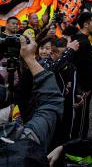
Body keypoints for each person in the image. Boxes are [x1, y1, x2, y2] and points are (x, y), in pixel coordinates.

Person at [0, 36, 63, 167]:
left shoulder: (57, 65)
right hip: (34, 115)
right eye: (42, 48)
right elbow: (51, 102)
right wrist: (30, 59)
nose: (45, 51)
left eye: (48, 48)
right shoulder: (26, 140)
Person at [71, 11, 92, 139]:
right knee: (81, 118)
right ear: (86, 25)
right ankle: (79, 144)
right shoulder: (83, 42)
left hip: (81, 87)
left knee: (81, 116)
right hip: (82, 89)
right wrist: (85, 89)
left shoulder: (81, 39)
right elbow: (81, 68)